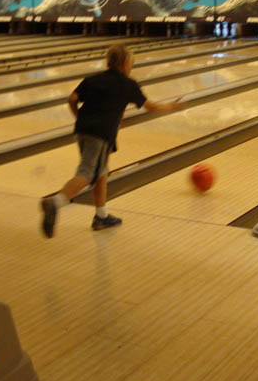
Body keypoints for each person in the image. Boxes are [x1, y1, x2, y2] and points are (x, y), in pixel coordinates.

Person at [40, 44, 182, 237]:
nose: (131, 68)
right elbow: (151, 107)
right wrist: (172, 106)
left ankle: (101, 216)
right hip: (101, 134)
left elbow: (72, 98)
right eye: (131, 64)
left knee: (101, 172)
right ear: (124, 63)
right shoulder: (128, 84)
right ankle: (56, 202)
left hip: (82, 130)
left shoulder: (93, 79)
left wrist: (79, 117)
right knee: (88, 173)